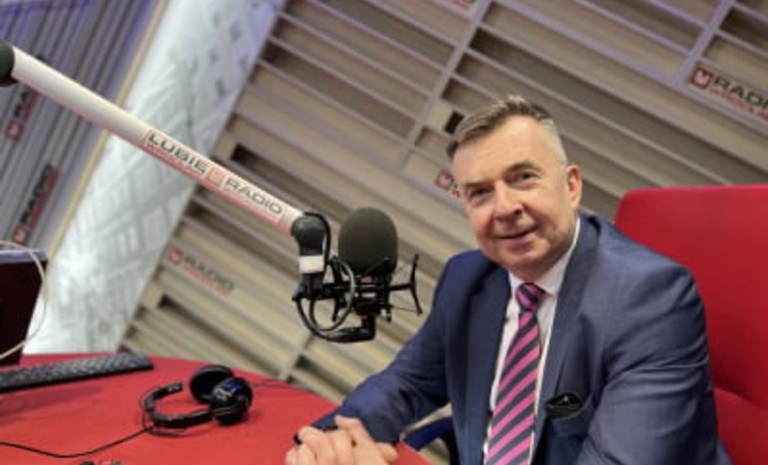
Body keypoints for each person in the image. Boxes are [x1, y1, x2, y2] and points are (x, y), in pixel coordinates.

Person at [284, 94, 732, 465]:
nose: (504, 208)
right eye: (480, 192)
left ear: (571, 186)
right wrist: (337, 441)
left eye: (523, 178)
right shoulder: (468, 278)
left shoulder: (650, 298)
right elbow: (407, 384)